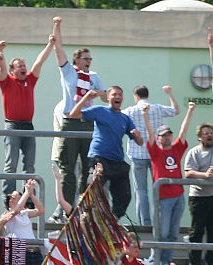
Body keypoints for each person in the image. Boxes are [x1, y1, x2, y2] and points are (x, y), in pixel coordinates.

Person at [50, 16, 106, 222]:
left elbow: (105, 94)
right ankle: (66, 210)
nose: (88, 61)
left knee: (87, 167)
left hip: (88, 121)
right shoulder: (69, 72)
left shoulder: (94, 76)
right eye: (85, 58)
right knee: (68, 168)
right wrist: (57, 26)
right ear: (76, 60)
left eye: (90, 59)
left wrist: (96, 94)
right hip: (70, 121)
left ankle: (85, 208)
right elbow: (58, 48)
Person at [68, 86, 142, 219]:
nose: (117, 97)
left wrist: (137, 135)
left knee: (125, 196)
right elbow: (74, 114)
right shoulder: (100, 111)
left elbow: (140, 142)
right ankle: (88, 218)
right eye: (114, 94)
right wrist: (86, 98)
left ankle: (112, 221)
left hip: (117, 161)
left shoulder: (125, 118)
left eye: (120, 95)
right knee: (94, 188)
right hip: (99, 158)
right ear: (108, 98)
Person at [0, 36, 55, 194]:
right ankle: (9, 197)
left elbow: (39, 61)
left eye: (24, 65)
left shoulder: (30, 80)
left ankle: (29, 198)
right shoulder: (7, 81)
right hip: (12, 125)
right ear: (12, 71)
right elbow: (1, 67)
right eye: (19, 66)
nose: (23, 68)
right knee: (11, 164)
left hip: (28, 125)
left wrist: (50, 44)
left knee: (29, 166)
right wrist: (0, 52)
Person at [143, 102, 194, 265]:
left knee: (173, 234)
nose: (167, 137)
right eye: (163, 135)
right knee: (162, 233)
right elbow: (149, 134)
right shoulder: (156, 151)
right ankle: (153, 261)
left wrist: (190, 111)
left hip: (178, 196)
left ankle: (166, 262)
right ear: (159, 138)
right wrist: (145, 116)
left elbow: (184, 131)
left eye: (168, 135)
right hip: (163, 198)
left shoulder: (177, 149)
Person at [123, 85, 180, 226]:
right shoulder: (157, 108)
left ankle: (145, 223)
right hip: (156, 154)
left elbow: (117, 115)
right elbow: (176, 111)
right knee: (159, 188)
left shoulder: (130, 110)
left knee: (141, 190)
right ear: (147, 95)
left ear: (135, 96)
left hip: (137, 154)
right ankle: (160, 221)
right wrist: (169, 93)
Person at [183, 122, 213, 265]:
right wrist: (205, 175)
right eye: (206, 133)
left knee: (212, 233)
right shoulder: (194, 152)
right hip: (199, 197)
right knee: (197, 231)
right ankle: (195, 264)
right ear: (200, 137)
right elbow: (188, 173)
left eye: (211, 132)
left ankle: (211, 264)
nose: (209, 135)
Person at [3, 180, 45, 265]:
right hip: (21, 251)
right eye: (11, 198)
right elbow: (16, 210)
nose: (11, 200)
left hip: (34, 251)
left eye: (15, 198)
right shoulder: (6, 214)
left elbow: (41, 210)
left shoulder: (25, 213)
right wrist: (26, 192)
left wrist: (31, 195)